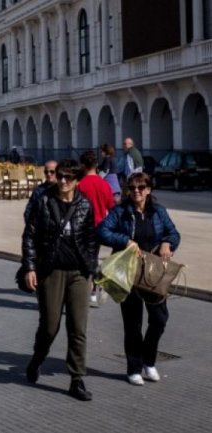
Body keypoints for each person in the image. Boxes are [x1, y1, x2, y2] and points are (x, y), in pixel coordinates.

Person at [21, 159, 97, 401]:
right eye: (60, 176)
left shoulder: (85, 204)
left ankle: (77, 379)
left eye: (68, 178)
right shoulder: (44, 201)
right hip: (51, 272)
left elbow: (90, 241)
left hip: (78, 273)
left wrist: (92, 270)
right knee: (50, 326)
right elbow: (30, 235)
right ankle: (37, 359)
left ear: (77, 181)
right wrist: (30, 267)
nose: (62, 181)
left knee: (78, 327)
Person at [97, 172, 180, 386]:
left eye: (141, 187)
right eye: (132, 187)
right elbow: (102, 231)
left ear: (149, 190)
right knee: (132, 323)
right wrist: (124, 240)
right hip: (129, 273)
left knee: (160, 319)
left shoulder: (158, 211)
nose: (136, 191)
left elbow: (173, 233)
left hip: (153, 273)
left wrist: (167, 243)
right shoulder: (120, 211)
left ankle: (148, 360)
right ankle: (133, 367)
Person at [78, 151, 115, 307]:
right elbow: (111, 207)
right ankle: (93, 287)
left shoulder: (80, 185)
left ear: (83, 165)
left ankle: (90, 287)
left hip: (83, 228)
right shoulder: (104, 184)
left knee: (84, 257)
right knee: (93, 255)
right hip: (99, 226)